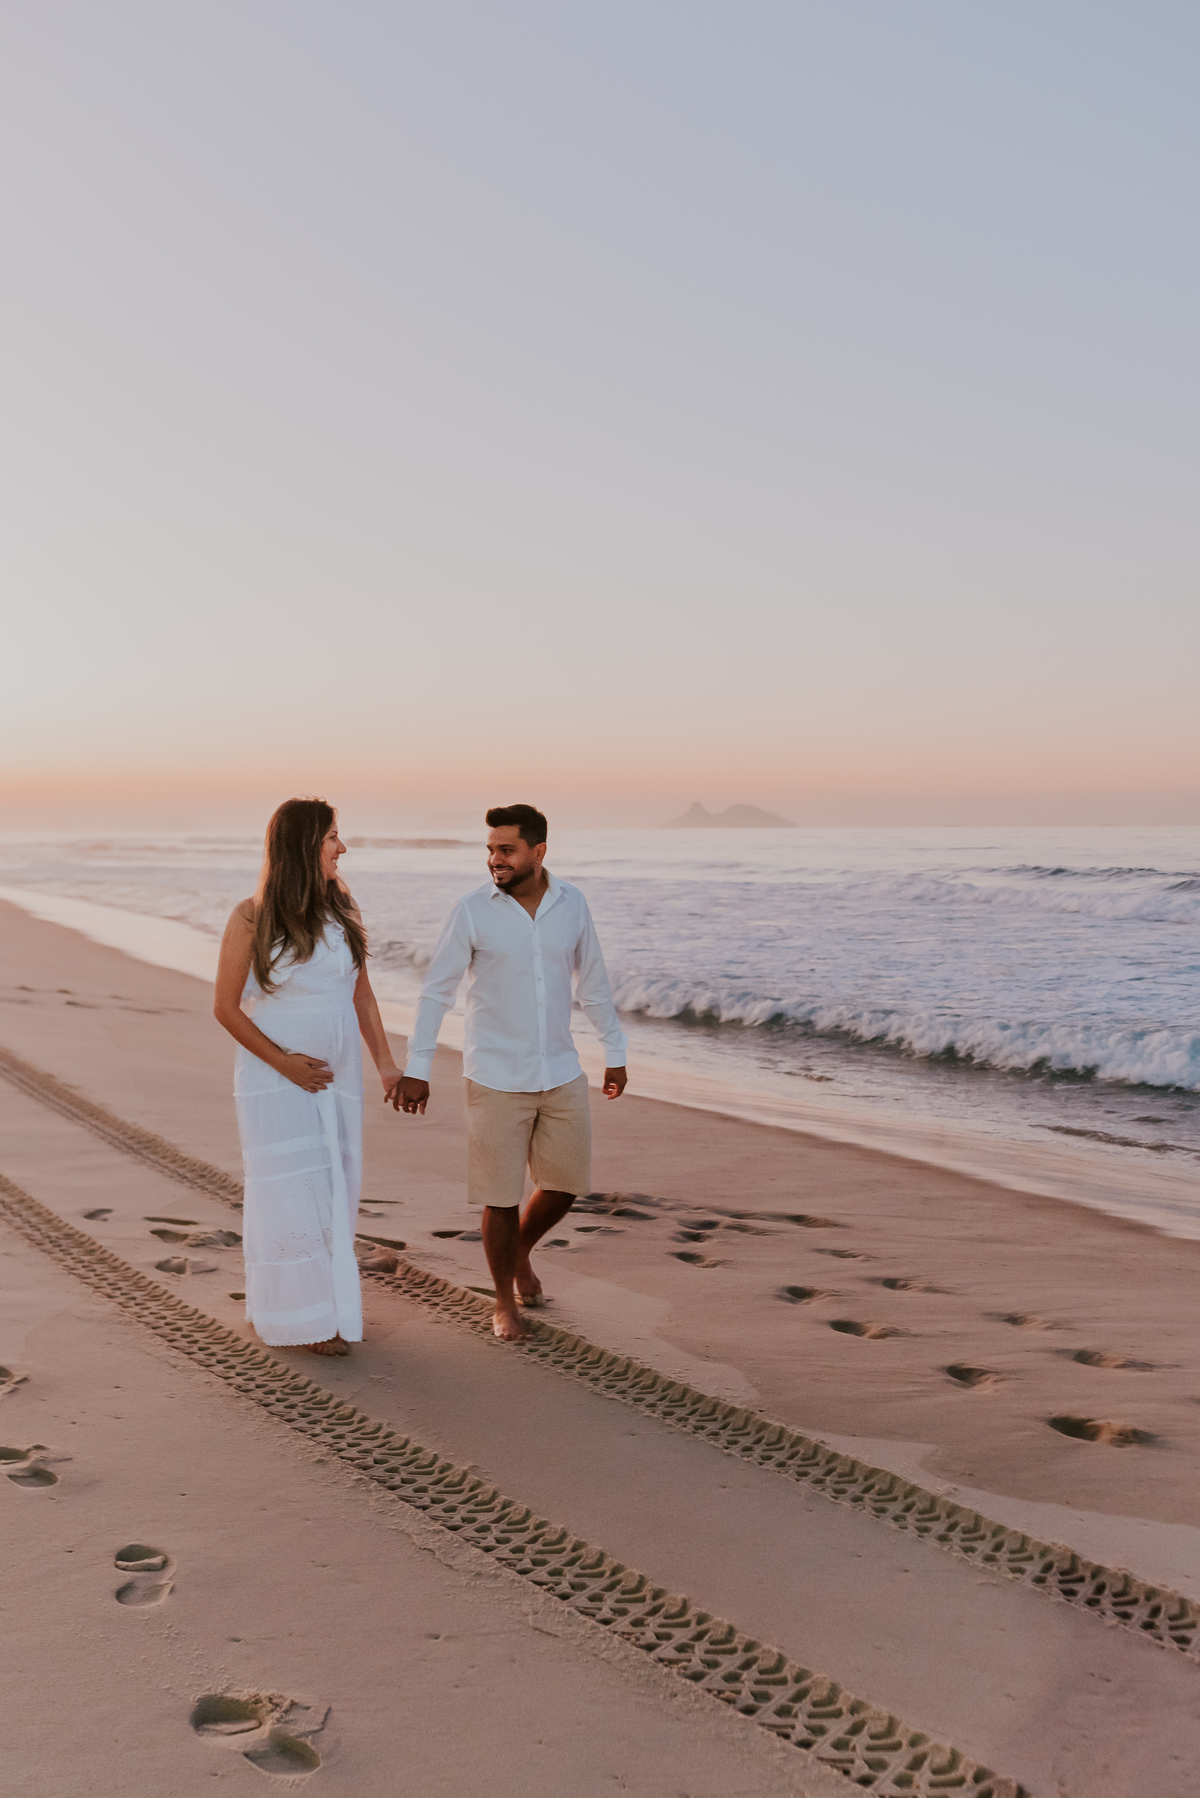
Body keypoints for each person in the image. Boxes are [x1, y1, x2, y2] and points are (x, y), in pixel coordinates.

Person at [394, 803, 628, 1341]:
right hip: (495, 1074)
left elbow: (592, 982)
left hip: (560, 1069)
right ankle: (504, 1302)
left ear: (538, 851)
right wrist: (418, 1067)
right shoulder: (473, 910)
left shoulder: (572, 903)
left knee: (566, 1184)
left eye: (506, 850)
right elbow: (436, 992)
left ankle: (521, 1248)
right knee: (499, 1197)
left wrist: (614, 1050)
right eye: (490, 850)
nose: (494, 860)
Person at [214, 797, 403, 1355]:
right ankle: (303, 1319)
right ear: (302, 846)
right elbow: (226, 1008)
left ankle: (328, 1305)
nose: (342, 848)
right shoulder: (251, 915)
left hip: (339, 1077)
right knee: (291, 1190)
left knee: (336, 1183)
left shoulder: (343, 902)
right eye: (332, 838)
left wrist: (387, 1065)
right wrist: (286, 1064)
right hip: (275, 1080)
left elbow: (361, 994)